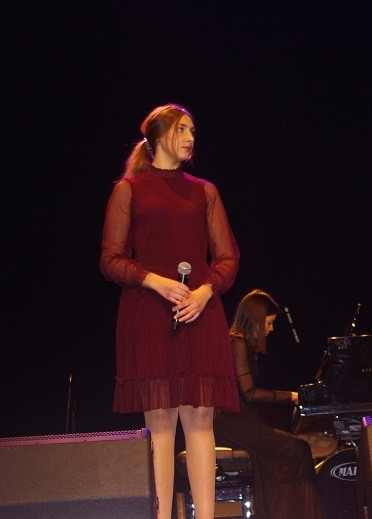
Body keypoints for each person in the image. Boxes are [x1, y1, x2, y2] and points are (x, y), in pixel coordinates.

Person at [100, 103, 240, 519]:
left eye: (193, 130)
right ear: (159, 135)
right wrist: (153, 280)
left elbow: (228, 258)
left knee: (200, 422)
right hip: (149, 314)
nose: (190, 138)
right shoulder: (129, 190)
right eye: (182, 129)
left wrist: (205, 292)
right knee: (160, 426)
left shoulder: (204, 190)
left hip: (199, 313)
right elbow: (110, 260)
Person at [214, 289, 324, 519]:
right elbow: (249, 394)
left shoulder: (241, 343)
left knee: (288, 450)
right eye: (269, 323)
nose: (271, 329)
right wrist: (291, 396)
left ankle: (278, 512)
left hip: (242, 421)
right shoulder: (237, 342)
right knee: (298, 449)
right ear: (256, 319)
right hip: (234, 424)